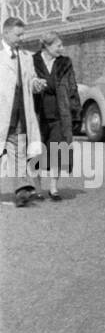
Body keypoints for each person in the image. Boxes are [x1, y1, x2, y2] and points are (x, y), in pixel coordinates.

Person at [0, 18, 44, 209]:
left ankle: (21, 191)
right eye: (18, 34)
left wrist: (36, 84)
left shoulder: (26, 57)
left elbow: (31, 80)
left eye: (22, 34)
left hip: (19, 114)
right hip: (1, 114)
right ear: (6, 33)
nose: (21, 38)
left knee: (17, 150)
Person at [31, 32, 80, 201]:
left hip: (60, 114)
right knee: (36, 152)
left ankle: (53, 188)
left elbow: (72, 88)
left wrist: (75, 113)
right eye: (58, 46)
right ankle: (37, 189)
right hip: (37, 115)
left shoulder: (65, 63)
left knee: (58, 151)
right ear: (47, 46)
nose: (62, 48)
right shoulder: (32, 61)